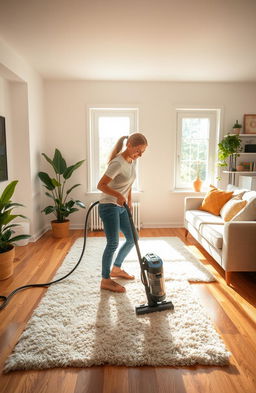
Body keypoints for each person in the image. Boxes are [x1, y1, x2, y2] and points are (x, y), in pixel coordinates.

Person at [97, 132, 148, 293]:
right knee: (113, 243)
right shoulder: (117, 163)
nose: (139, 155)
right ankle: (105, 279)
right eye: (138, 151)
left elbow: (129, 183)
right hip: (109, 206)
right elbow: (101, 185)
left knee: (133, 238)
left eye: (142, 152)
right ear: (129, 145)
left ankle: (116, 268)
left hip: (121, 206)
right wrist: (119, 195)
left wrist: (129, 200)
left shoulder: (132, 161)